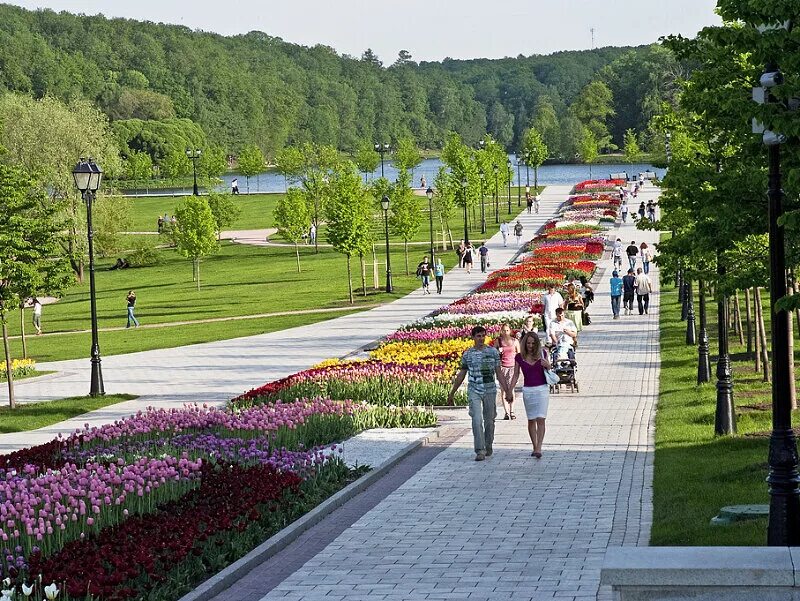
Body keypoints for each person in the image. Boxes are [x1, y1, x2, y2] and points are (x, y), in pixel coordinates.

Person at [448, 326, 514, 461]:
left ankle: (488, 445)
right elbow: (462, 374)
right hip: (474, 390)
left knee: (489, 420)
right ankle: (480, 450)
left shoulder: (493, 352)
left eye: (483, 335)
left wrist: (507, 390)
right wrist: (452, 392)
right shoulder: (468, 354)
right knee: (476, 419)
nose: (481, 338)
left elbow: (499, 373)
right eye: (478, 336)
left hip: (490, 390)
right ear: (473, 337)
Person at [513, 332, 552, 458]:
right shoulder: (519, 357)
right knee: (531, 419)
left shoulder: (543, 353)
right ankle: (534, 445)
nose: (530, 345)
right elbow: (516, 375)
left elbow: (549, 368)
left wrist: (548, 366)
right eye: (528, 343)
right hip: (528, 390)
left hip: (542, 389)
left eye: (533, 343)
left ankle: (539, 447)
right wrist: (509, 389)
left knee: (541, 418)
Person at [493, 323, 520, 421]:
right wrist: (498, 352)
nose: (505, 332)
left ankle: (512, 411)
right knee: (503, 390)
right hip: (502, 367)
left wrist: (519, 367)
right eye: (504, 330)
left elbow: (519, 355)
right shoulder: (498, 341)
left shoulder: (515, 341)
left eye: (507, 330)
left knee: (511, 389)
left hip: (512, 367)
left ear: (510, 331)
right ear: (501, 331)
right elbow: (493, 353)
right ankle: (506, 412)